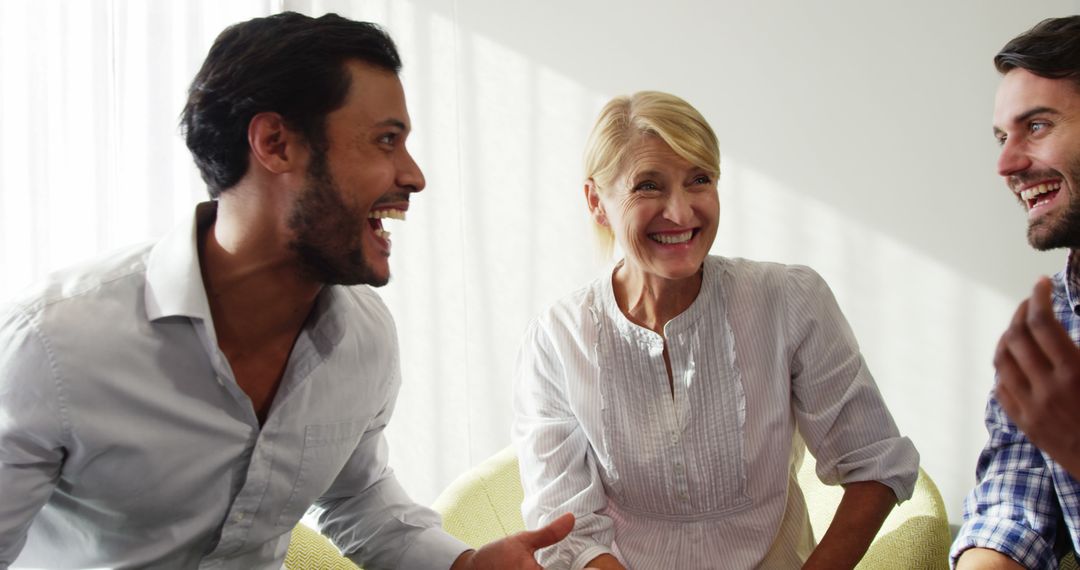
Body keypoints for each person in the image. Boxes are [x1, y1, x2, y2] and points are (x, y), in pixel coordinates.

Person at [0, 12, 575, 569]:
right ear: (275, 143)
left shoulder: (365, 337)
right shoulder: (52, 345)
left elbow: (358, 500)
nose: (414, 176)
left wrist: (463, 565)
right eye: (385, 140)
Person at [511, 90, 920, 570]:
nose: (681, 214)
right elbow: (566, 525)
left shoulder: (790, 300)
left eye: (699, 180)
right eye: (648, 186)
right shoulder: (558, 340)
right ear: (596, 202)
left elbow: (874, 462)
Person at [952, 16, 1080, 570]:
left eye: (1038, 126)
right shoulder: (1051, 318)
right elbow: (1011, 511)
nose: (1006, 164)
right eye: (1004, 137)